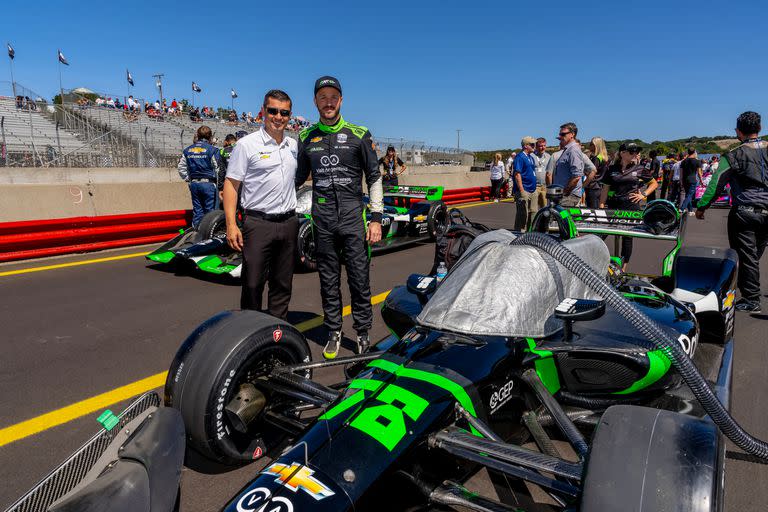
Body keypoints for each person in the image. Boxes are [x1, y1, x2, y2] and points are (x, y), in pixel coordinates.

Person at [295, 76, 383, 359]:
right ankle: (334, 331)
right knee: (327, 280)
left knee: (359, 279)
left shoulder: (360, 133)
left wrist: (376, 218)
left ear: (341, 100)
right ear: (315, 102)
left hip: (353, 218)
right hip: (321, 220)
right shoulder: (306, 137)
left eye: (333, 96)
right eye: (323, 97)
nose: (328, 101)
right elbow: (294, 179)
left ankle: (362, 332)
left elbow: (374, 177)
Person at [223, 90, 298, 319]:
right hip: (258, 223)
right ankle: (250, 332)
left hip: (288, 222)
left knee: (282, 285)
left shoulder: (294, 146)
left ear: (289, 115)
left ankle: (277, 331)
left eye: (284, 112)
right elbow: (231, 185)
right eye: (273, 110)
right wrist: (231, 225)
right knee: (253, 284)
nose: (278, 116)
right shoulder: (246, 145)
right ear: (263, 112)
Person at [696, 111, 768, 313]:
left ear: (738, 131)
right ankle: (747, 290)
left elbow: (716, 183)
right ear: (760, 128)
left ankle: (752, 298)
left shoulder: (734, 154)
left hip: (745, 212)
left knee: (748, 257)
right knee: (753, 255)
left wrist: (702, 207)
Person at [600, 142, 658, 269]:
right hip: (613, 205)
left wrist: (643, 195)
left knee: (627, 237)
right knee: (603, 233)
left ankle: (623, 269)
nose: (636, 154)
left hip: (631, 206)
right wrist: (601, 204)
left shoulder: (640, 168)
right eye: (632, 151)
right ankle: (597, 261)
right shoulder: (611, 169)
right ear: (622, 153)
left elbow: (654, 183)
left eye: (636, 152)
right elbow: (605, 189)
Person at [177, 126, 220, 227]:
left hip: (194, 184)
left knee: (197, 212)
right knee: (210, 213)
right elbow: (217, 168)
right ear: (210, 136)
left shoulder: (187, 150)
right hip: (209, 185)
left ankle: (196, 235)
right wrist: (219, 185)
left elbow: (181, 167)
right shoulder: (213, 150)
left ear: (198, 135)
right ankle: (208, 238)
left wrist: (189, 179)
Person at [552, 123, 585, 207]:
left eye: (563, 134)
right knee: (563, 218)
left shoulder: (573, 150)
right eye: (560, 134)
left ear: (572, 134)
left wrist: (565, 192)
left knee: (564, 217)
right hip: (564, 195)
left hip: (569, 196)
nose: (560, 136)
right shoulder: (568, 149)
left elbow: (577, 176)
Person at [512, 137, 537, 230]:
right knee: (522, 215)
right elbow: (517, 174)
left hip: (532, 189)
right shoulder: (520, 157)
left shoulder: (530, 157)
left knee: (533, 212)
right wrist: (522, 190)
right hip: (524, 189)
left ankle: (530, 233)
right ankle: (519, 233)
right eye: (532, 144)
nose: (534, 146)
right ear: (526, 146)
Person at [582, 136, 609, 208]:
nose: (589, 145)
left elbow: (592, 172)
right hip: (600, 187)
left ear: (596, 145)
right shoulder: (604, 158)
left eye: (591, 144)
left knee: (592, 210)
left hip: (593, 186)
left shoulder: (596, 158)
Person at [678, 148, 702, 214]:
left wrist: (681, 181)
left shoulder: (683, 161)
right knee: (689, 195)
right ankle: (682, 208)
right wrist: (701, 181)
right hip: (693, 180)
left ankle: (690, 210)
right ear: (694, 152)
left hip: (685, 180)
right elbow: (699, 173)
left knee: (688, 195)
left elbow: (681, 173)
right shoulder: (697, 161)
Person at [530, 138, 550, 212]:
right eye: (540, 146)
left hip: (544, 186)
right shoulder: (531, 156)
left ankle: (543, 223)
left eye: (544, 145)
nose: (543, 148)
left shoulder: (548, 156)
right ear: (536, 146)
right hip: (535, 186)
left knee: (544, 209)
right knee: (533, 209)